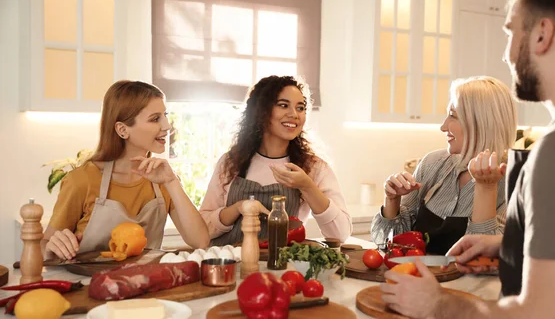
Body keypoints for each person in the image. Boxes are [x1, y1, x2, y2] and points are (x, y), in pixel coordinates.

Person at [380, 0, 555, 319]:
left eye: (510, 31)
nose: (505, 53)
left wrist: (437, 303)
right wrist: (510, 247)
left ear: (543, 33)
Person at [42, 80, 210, 259]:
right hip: (88, 285)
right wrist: (52, 246)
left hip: (144, 283)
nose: (167, 126)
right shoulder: (82, 180)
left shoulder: (162, 179)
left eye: (165, 116)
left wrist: (171, 181)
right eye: (155, 119)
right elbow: (44, 246)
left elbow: (200, 241)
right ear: (122, 130)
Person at [371, 76, 517, 254]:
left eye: (453, 116)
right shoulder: (432, 164)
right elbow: (390, 246)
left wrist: (486, 188)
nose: (443, 126)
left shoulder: (516, 182)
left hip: (469, 283)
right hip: (415, 278)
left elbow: (485, 255)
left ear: (481, 123)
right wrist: (392, 199)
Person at [200, 75, 352, 246]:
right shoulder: (231, 162)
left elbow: (340, 234)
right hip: (227, 264)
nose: (294, 114)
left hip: (281, 268)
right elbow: (202, 228)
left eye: (300, 108)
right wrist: (238, 208)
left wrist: (307, 186)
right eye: (283, 105)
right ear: (261, 111)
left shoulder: (313, 168)